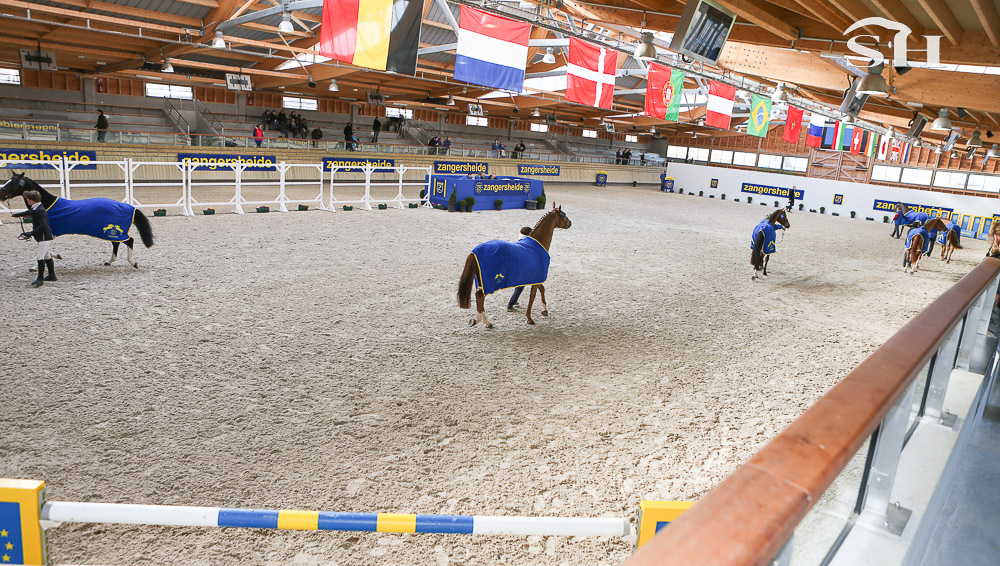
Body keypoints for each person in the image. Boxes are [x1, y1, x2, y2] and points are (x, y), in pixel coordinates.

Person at [13, 190, 56, 287]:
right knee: (47, 256)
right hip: (43, 236)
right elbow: (31, 212)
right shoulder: (36, 207)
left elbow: (43, 226)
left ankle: (40, 279)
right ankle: (52, 275)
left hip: (44, 236)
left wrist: (31, 233)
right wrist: (19, 215)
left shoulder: (40, 211)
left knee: (40, 257)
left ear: (31, 200)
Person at [507, 226, 533, 311]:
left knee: (519, 285)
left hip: (516, 266)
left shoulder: (520, 241)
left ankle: (515, 301)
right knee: (520, 287)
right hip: (521, 267)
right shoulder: (526, 243)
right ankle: (510, 305)